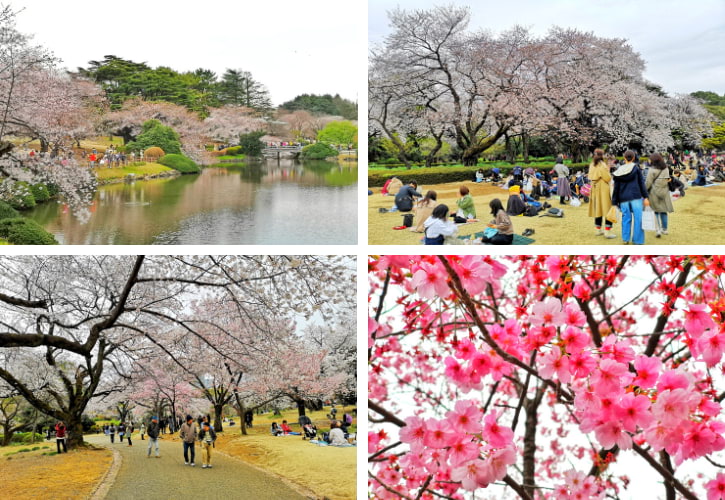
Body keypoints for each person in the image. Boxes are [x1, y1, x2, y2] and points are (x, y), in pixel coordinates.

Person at [612, 150, 650, 245]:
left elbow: (616, 187)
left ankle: (625, 239)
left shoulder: (619, 171)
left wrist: (614, 201)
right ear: (633, 158)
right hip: (635, 197)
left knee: (626, 218)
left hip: (623, 198)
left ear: (624, 158)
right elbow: (641, 183)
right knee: (638, 218)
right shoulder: (636, 169)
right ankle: (637, 240)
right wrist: (645, 196)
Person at [588, 149, 615, 238]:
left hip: (594, 187)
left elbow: (589, 176)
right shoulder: (602, 165)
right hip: (603, 188)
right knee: (608, 209)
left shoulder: (592, 165)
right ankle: (607, 231)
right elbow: (607, 178)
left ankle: (598, 229)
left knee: (598, 209)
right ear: (602, 155)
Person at [645, 153, 674, 238]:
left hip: (654, 192)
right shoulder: (666, 169)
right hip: (664, 191)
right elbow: (666, 179)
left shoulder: (652, 170)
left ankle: (657, 229)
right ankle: (664, 229)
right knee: (664, 211)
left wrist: (644, 191)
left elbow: (648, 183)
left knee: (656, 211)